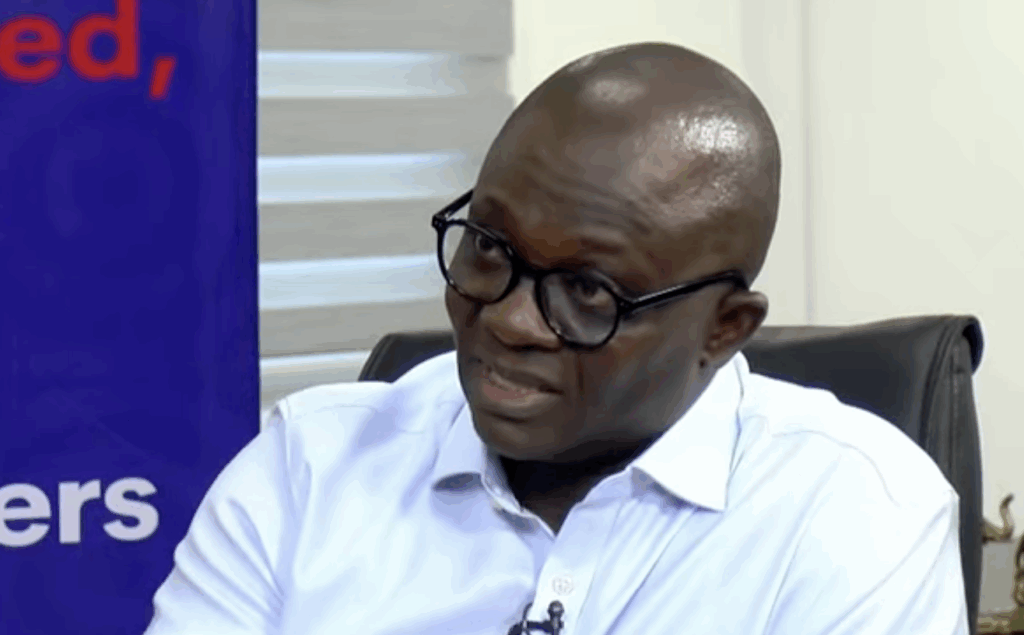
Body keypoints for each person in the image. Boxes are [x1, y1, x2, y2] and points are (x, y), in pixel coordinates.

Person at [144, 42, 968, 634]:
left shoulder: (854, 512)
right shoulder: (310, 468)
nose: (509, 318)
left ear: (723, 328)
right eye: (489, 247)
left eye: (587, 292)